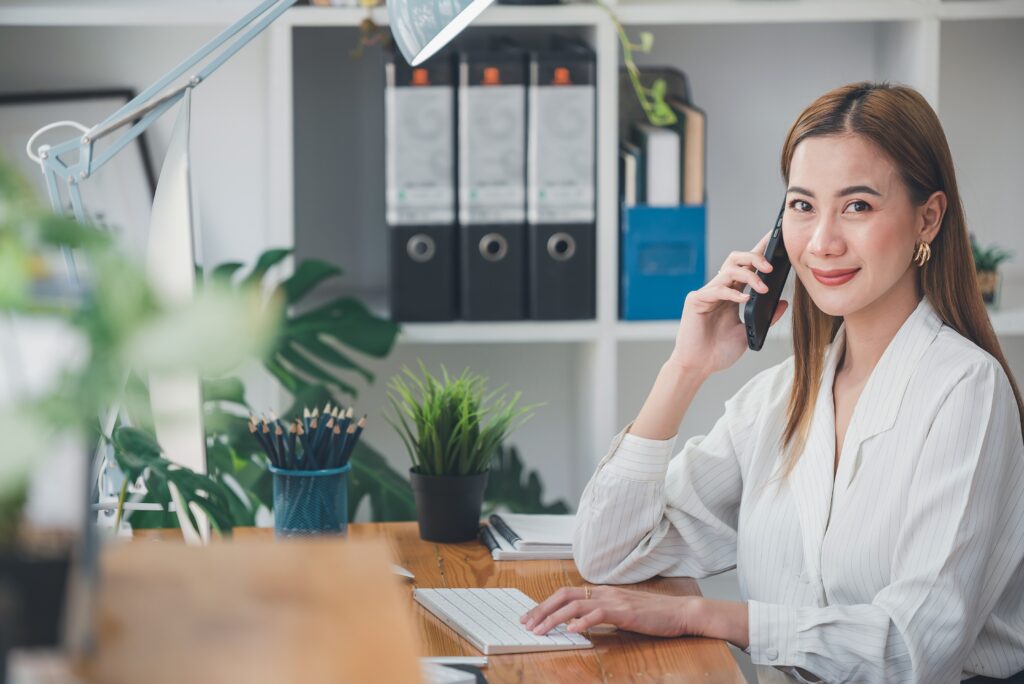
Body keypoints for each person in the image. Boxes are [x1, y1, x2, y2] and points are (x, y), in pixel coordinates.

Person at [520, 81, 1024, 683]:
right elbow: (609, 552)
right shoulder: (782, 397)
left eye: (857, 205)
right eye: (802, 206)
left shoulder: (965, 391)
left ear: (928, 218)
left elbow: (914, 650)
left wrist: (703, 615)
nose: (822, 241)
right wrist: (686, 369)